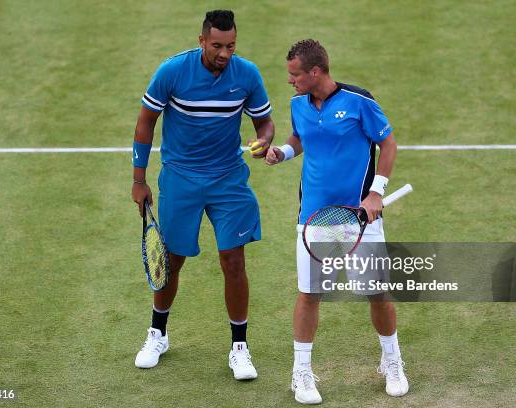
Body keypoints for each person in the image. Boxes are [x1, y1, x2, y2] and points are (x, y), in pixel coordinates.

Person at [131, 10, 274, 381]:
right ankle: (157, 334)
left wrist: (265, 139)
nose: (225, 54)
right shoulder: (172, 72)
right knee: (172, 260)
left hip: (228, 179)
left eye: (231, 46)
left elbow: (264, 122)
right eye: (217, 46)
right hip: (180, 178)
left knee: (234, 261)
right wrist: (139, 180)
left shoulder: (247, 74)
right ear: (201, 41)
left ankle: (239, 347)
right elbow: (146, 121)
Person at [264, 39, 408, 403]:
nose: (290, 81)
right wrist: (281, 153)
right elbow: (300, 139)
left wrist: (376, 193)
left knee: (377, 293)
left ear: (316, 72)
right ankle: (302, 373)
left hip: (360, 217)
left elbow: (387, 144)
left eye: (295, 74)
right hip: (313, 216)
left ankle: (392, 360)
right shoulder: (298, 103)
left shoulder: (360, 102)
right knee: (311, 293)